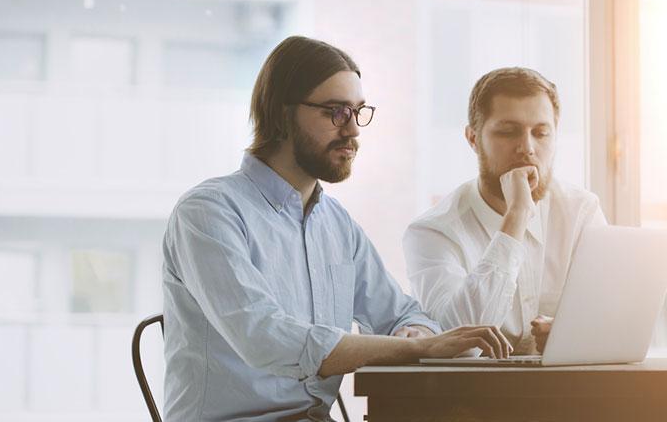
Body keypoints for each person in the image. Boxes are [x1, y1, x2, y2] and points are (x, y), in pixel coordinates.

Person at [162, 36, 510, 421]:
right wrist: (417, 350)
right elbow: (264, 337)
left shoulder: (336, 224)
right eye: (336, 112)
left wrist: (415, 333)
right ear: (282, 115)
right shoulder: (209, 212)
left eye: (358, 112)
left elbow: (401, 314)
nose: (353, 131)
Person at [403, 67, 606, 356]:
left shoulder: (581, 212)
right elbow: (457, 345)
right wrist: (517, 216)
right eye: (508, 132)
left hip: (568, 391)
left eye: (541, 133)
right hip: (470, 398)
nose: (527, 148)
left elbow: (610, 319)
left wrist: (572, 335)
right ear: (473, 138)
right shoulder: (432, 232)